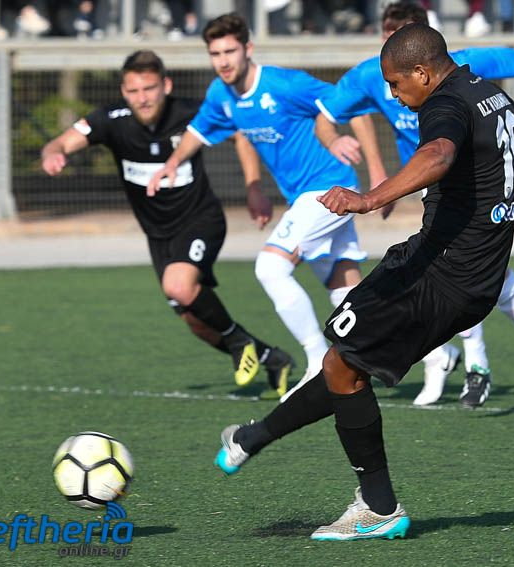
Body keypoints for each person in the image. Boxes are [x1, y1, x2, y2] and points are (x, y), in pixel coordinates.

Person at [214, 23, 514, 541]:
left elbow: (438, 154)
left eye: (396, 84)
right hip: (476, 282)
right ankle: (253, 438)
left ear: (422, 72)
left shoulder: (444, 105)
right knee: (342, 364)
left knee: (344, 364)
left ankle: (377, 508)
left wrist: (368, 198)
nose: (394, 95)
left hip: (437, 272)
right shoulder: (490, 95)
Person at [148, 13, 459, 397]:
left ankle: (315, 364)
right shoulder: (220, 95)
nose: (223, 61)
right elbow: (197, 132)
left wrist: (357, 156)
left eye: (230, 51)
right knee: (347, 295)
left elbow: (352, 104)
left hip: (327, 189)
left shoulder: (284, 84)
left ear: (248, 48)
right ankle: (436, 352)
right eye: (215, 54)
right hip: (305, 197)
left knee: (270, 268)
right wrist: (172, 165)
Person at [315, 1, 514, 408]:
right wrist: (363, 161)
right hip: (431, 187)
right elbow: (327, 116)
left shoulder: (462, 67)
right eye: (391, 38)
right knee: (483, 280)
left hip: (473, 188)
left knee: (454, 275)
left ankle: (478, 365)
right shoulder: (375, 74)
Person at [40, 50, 293, 397]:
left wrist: (253, 188)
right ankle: (272, 358)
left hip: (201, 220)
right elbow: (59, 143)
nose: (142, 98)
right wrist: (53, 154)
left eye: (149, 88)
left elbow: (240, 133)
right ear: (123, 91)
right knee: (195, 320)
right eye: (133, 91)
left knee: (179, 286)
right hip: (159, 235)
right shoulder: (110, 119)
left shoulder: (191, 113)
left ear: (166, 85)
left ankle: (238, 343)